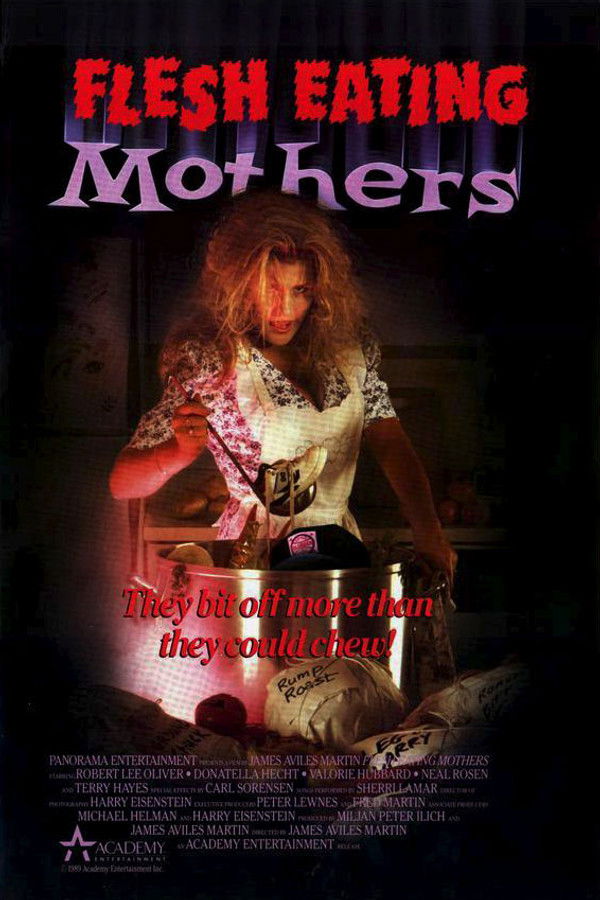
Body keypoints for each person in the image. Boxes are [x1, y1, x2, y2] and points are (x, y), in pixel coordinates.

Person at [110, 191, 455, 578]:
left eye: (300, 290)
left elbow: (389, 441)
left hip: (338, 552)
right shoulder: (211, 358)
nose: (285, 310)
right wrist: (179, 451)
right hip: (253, 559)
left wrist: (428, 530)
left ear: (320, 288)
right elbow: (123, 484)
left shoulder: (351, 350)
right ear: (238, 284)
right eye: (270, 288)